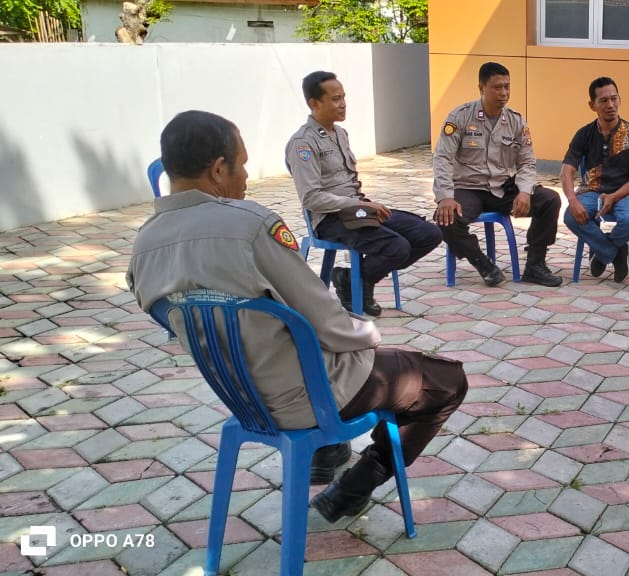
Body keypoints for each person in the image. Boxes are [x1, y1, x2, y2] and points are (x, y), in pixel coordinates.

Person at [130, 110, 468, 522]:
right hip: (307, 396)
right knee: (443, 380)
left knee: (315, 347)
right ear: (219, 169)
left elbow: (169, 318)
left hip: (241, 399)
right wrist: (369, 334)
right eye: (242, 166)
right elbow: (326, 320)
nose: (246, 177)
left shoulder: (143, 245)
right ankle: (356, 485)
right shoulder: (250, 226)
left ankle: (328, 452)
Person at [286, 71, 442, 316]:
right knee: (397, 247)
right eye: (335, 99)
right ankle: (360, 284)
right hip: (329, 219)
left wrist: (363, 206)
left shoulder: (340, 134)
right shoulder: (303, 143)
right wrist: (359, 206)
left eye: (343, 97)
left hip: (358, 211)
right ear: (314, 103)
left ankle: (352, 280)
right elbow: (311, 198)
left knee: (428, 233)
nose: (343, 104)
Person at [433, 61, 564, 287]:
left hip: (502, 188)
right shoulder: (460, 117)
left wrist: (524, 191)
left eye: (507, 86)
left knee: (550, 200)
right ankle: (483, 264)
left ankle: (535, 265)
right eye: (497, 87)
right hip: (468, 188)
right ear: (481, 87)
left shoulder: (515, 121)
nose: (503, 93)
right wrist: (445, 196)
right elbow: (442, 157)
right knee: (446, 218)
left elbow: (527, 161)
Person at [560, 77, 629, 283]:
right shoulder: (584, 134)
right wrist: (572, 200)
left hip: (627, 193)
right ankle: (616, 252)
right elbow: (567, 170)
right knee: (571, 216)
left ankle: (601, 251)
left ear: (620, 99)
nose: (610, 105)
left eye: (614, 99)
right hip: (592, 190)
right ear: (592, 105)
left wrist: (614, 196)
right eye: (603, 100)